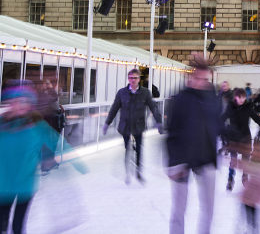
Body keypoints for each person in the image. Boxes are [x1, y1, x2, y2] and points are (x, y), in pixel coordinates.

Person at [1, 80, 87, 234]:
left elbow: (59, 144)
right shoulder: (2, 126)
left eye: (23, 102)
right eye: (13, 102)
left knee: (18, 226)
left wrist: (78, 163)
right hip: (2, 186)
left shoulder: (37, 127)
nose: (18, 106)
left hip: (24, 186)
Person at [166, 55, 222, 234]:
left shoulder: (212, 96)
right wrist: (173, 163)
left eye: (205, 79)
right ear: (191, 76)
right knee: (179, 210)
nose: (202, 83)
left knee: (209, 209)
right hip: (183, 160)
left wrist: (234, 140)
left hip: (206, 159)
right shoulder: (181, 98)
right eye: (198, 78)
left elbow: (217, 123)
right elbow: (171, 132)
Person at [103, 68, 163, 184]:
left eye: (135, 78)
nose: (133, 80)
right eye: (131, 78)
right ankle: (127, 172)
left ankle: (138, 171)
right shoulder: (122, 92)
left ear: (139, 79)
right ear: (128, 79)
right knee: (128, 149)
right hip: (125, 126)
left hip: (138, 125)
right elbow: (114, 108)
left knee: (139, 148)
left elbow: (153, 107)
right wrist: (107, 123)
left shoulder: (145, 93)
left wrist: (159, 122)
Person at [221, 88, 260, 191]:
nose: (242, 99)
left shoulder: (248, 107)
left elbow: (256, 117)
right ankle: (230, 179)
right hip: (233, 138)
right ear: (235, 97)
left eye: (244, 97)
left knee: (246, 161)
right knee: (233, 160)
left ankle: (245, 178)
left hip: (245, 137)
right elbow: (222, 118)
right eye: (239, 97)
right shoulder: (230, 107)